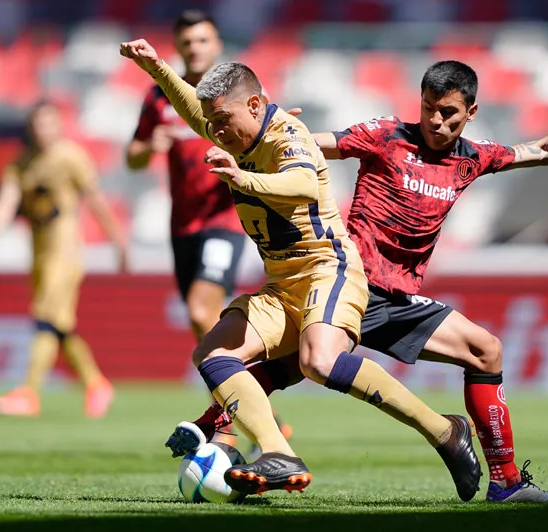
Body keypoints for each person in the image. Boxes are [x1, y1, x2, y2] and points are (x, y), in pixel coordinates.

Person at [181, 60, 548, 503]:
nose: (436, 121)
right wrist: (277, 128)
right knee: (300, 363)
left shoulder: (473, 158)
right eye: (429, 108)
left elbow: (543, 149)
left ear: (471, 112)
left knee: (484, 351)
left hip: (395, 298)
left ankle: (505, 484)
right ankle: (221, 432)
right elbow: (309, 148)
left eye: (449, 113)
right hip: (347, 282)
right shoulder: (384, 135)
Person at [119, 40, 481, 500]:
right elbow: (196, 110)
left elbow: (304, 183)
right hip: (284, 284)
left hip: (328, 270)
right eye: (212, 122)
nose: (215, 130)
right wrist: (156, 67)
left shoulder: (286, 134)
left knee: (318, 362)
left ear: (255, 105)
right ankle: (278, 453)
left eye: (222, 119)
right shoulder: (234, 130)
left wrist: (243, 178)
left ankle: (444, 431)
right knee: (211, 354)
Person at [125, 10, 290, 447]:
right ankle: (254, 408)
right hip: (183, 225)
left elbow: (270, 137)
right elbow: (133, 158)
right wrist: (149, 146)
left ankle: (228, 430)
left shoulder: (237, 92)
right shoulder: (160, 96)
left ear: (216, 45)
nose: (195, 49)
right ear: (178, 47)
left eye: (202, 41)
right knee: (205, 326)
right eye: (187, 42)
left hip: (225, 219)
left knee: (202, 313)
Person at [0, 100, 127, 418]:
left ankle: (29, 392)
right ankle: (96, 383)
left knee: (44, 316)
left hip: (66, 252)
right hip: (39, 253)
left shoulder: (71, 157)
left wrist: (118, 241)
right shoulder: (22, 163)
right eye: (37, 124)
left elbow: (97, 201)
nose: (41, 130)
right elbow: (8, 199)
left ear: (58, 125)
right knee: (59, 325)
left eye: (47, 123)